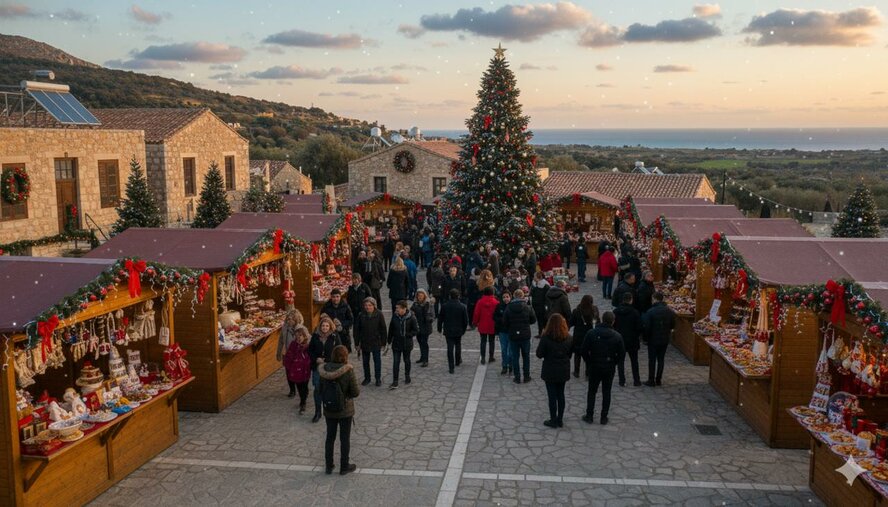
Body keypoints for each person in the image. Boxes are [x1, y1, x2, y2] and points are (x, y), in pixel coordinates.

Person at [319, 345, 360, 475]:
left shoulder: (324, 369)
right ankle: (344, 466)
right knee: (344, 439)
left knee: (330, 438)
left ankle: (329, 466)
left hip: (329, 409)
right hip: (345, 411)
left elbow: (319, 390)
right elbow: (355, 392)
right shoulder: (348, 370)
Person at [581, 311, 625, 425]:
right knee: (607, 392)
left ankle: (589, 415)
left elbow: (584, 350)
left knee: (592, 391)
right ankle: (603, 417)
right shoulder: (617, 336)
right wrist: (614, 362)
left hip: (594, 365)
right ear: (613, 321)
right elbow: (621, 354)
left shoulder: (591, 333)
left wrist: (589, 362)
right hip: (608, 367)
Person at [536, 314, 573, 428]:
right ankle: (560, 419)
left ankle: (553, 419)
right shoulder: (569, 338)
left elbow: (539, 354)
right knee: (560, 394)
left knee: (552, 395)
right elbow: (570, 354)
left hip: (550, 369)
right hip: (563, 369)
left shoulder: (546, 338)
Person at [309, 315, 342, 423]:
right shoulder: (315, 336)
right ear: (320, 326)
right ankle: (317, 412)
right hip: (317, 367)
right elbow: (310, 351)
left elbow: (339, 351)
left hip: (330, 366)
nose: (324, 327)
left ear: (330, 326)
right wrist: (316, 359)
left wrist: (327, 360)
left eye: (327, 326)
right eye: (323, 325)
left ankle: (330, 410)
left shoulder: (334, 336)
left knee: (330, 388)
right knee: (317, 388)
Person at [503, 288, 536, 384]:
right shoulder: (528, 307)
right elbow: (533, 320)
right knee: (526, 356)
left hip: (513, 335)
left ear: (513, 296)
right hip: (525, 335)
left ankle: (517, 377)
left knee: (515, 357)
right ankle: (526, 376)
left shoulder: (509, 308)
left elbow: (505, 322)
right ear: (522, 296)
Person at [642, 292, 676, 387]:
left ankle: (651, 379)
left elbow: (647, 327)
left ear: (655, 299)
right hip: (664, 338)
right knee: (661, 359)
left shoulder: (650, 311)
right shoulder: (669, 311)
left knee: (652, 360)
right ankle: (658, 379)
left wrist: (645, 338)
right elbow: (673, 324)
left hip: (653, 339)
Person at [355, 297, 387, 387]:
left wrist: (383, 342)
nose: (367, 307)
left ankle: (378, 379)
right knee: (365, 362)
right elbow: (357, 330)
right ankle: (367, 378)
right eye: (365, 305)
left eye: (369, 305)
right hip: (365, 342)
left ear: (374, 306)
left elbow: (383, 329)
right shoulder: (361, 315)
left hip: (376, 341)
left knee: (377, 361)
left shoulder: (379, 314)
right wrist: (357, 343)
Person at [614, 292, 643, 387]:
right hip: (632, 340)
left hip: (619, 340)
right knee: (634, 361)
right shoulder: (635, 312)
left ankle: (622, 381)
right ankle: (636, 380)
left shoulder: (616, 311)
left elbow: (613, 326)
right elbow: (639, 327)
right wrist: (637, 335)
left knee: (620, 361)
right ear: (631, 300)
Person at [387, 300, 418, 389]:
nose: (396, 309)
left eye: (398, 308)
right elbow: (391, 329)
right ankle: (395, 381)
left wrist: (407, 335)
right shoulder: (395, 317)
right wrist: (388, 341)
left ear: (404, 309)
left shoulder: (411, 317)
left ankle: (407, 375)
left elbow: (416, 330)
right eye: (396, 308)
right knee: (396, 362)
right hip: (396, 343)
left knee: (407, 360)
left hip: (407, 344)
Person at [438, 289, 469, 374]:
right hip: (459, 330)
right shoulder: (462, 306)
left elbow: (440, 318)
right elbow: (466, 320)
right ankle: (458, 360)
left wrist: (439, 328)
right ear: (458, 296)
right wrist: (463, 329)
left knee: (450, 348)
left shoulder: (444, 306)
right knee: (458, 345)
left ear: (449, 296)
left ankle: (451, 367)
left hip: (448, 330)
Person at [283, 325, 312, 413]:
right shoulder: (293, 345)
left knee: (305, 386)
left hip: (305, 370)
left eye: (300, 336)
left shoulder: (308, 346)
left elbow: (311, 356)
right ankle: (303, 401)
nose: (298, 338)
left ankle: (303, 401)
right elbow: (289, 356)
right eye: (297, 336)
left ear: (304, 336)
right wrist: (289, 367)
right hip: (296, 371)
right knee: (299, 387)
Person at [569, 295, 599, 378]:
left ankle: (576, 371)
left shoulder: (576, 311)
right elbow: (598, 322)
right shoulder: (595, 310)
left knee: (577, 354)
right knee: (589, 353)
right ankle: (588, 372)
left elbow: (571, 322)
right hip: (590, 335)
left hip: (578, 335)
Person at [276, 309, 305, 395]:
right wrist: (279, 352)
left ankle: (301, 389)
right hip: (287, 354)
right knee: (288, 372)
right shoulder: (285, 328)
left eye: (291, 319)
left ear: (296, 320)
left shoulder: (301, 329)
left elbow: (307, 341)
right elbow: (281, 340)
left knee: (298, 372)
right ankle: (292, 390)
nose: (289, 321)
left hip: (298, 354)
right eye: (288, 319)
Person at [472, 286, 499, 364]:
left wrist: (475, 322)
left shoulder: (480, 302)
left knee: (483, 341)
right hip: (492, 324)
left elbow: (476, 313)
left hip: (482, 324)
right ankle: (491, 356)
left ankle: (483, 357)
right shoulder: (496, 302)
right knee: (491, 341)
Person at [412, 289, 434, 367]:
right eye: (418, 296)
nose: (420, 297)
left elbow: (432, 315)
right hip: (418, 327)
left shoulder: (428, 304)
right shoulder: (415, 304)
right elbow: (411, 313)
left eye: (421, 296)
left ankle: (426, 360)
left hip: (425, 327)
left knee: (424, 343)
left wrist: (429, 319)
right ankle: (422, 357)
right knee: (420, 342)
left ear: (424, 296)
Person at [346, 274, 372, 341]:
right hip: (354, 312)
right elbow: (348, 299)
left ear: (359, 279)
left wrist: (368, 307)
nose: (354, 281)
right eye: (353, 279)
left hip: (363, 310)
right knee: (356, 328)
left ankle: (365, 340)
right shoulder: (351, 288)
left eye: (356, 279)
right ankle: (356, 342)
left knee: (364, 327)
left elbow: (369, 297)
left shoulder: (364, 287)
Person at [494, 291, 513, 376]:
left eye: (507, 297)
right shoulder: (499, 306)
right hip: (502, 332)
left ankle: (511, 365)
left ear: (510, 297)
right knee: (504, 350)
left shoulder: (512, 306)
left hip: (511, 332)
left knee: (510, 351)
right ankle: (504, 366)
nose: (506, 298)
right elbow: (494, 317)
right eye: (504, 297)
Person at [530, 272, 550, 336]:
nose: (533, 277)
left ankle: (546, 333)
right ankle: (540, 333)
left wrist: (546, 306)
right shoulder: (534, 284)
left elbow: (548, 297)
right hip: (536, 305)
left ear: (538, 277)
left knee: (544, 319)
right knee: (539, 319)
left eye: (535, 276)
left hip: (542, 305)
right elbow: (532, 293)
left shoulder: (545, 285)